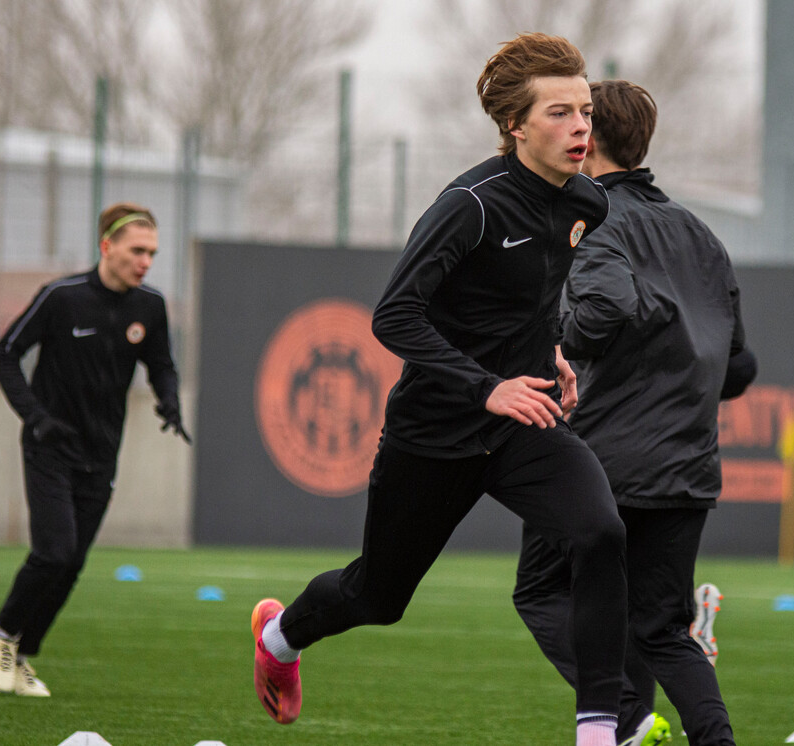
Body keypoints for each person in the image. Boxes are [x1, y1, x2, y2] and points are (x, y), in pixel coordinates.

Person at [250, 33, 629, 746]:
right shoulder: (470, 205)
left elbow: (532, 294)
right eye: (559, 113)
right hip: (435, 431)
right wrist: (484, 386)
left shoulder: (588, 202)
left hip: (523, 423)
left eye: (584, 109)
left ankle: (600, 731)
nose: (581, 126)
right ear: (515, 126)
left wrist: (551, 350)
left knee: (601, 532)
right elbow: (395, 316)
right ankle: (277, 640)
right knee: (377, 597)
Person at [512, 80, 754, 746]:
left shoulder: (590, 218)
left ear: (590, 141)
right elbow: (740, 367)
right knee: (662, 629)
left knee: (541, 591)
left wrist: (553, 332)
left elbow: (605, 311)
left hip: (603, 463)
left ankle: (625, 718)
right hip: (687, 468)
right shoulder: (701, 236)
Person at [0, 202, 191, 697]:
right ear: (107, 247)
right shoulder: (61, 297)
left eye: (153, 253)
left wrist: (169, 400)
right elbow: (5, 354)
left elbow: (160, 364)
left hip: (102, 454)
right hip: (49, 447)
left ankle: (23, 656)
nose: (145, 261)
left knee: (73, 563)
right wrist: (36, 418)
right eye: (137, 250)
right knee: (54, 553)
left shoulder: (150, 306)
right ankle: (3, 635)